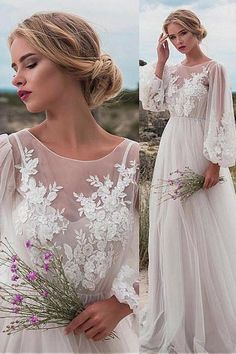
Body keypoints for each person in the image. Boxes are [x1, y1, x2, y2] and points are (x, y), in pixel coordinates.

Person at [0, 11, 139, 353]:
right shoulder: (10, 153)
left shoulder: (133, 161)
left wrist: (123, 304)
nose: (18, 78)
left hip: (104, 340)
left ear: (69, 58)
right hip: (24, 336)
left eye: (29, 64)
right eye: (14, 67)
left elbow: (163, 253)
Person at [140, 9, 236, 354]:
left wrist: (214, 164)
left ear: (197, 31)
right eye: (172, 36)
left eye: (182, 34)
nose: (178, 41)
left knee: (202, 227)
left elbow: (221, 117)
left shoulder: (216, 70)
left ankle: (207, 315)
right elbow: (152, 103)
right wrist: (160, 60)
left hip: (199, 151)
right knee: (173, 227)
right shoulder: (170, 70)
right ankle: (178, 308)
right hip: (171, 146)